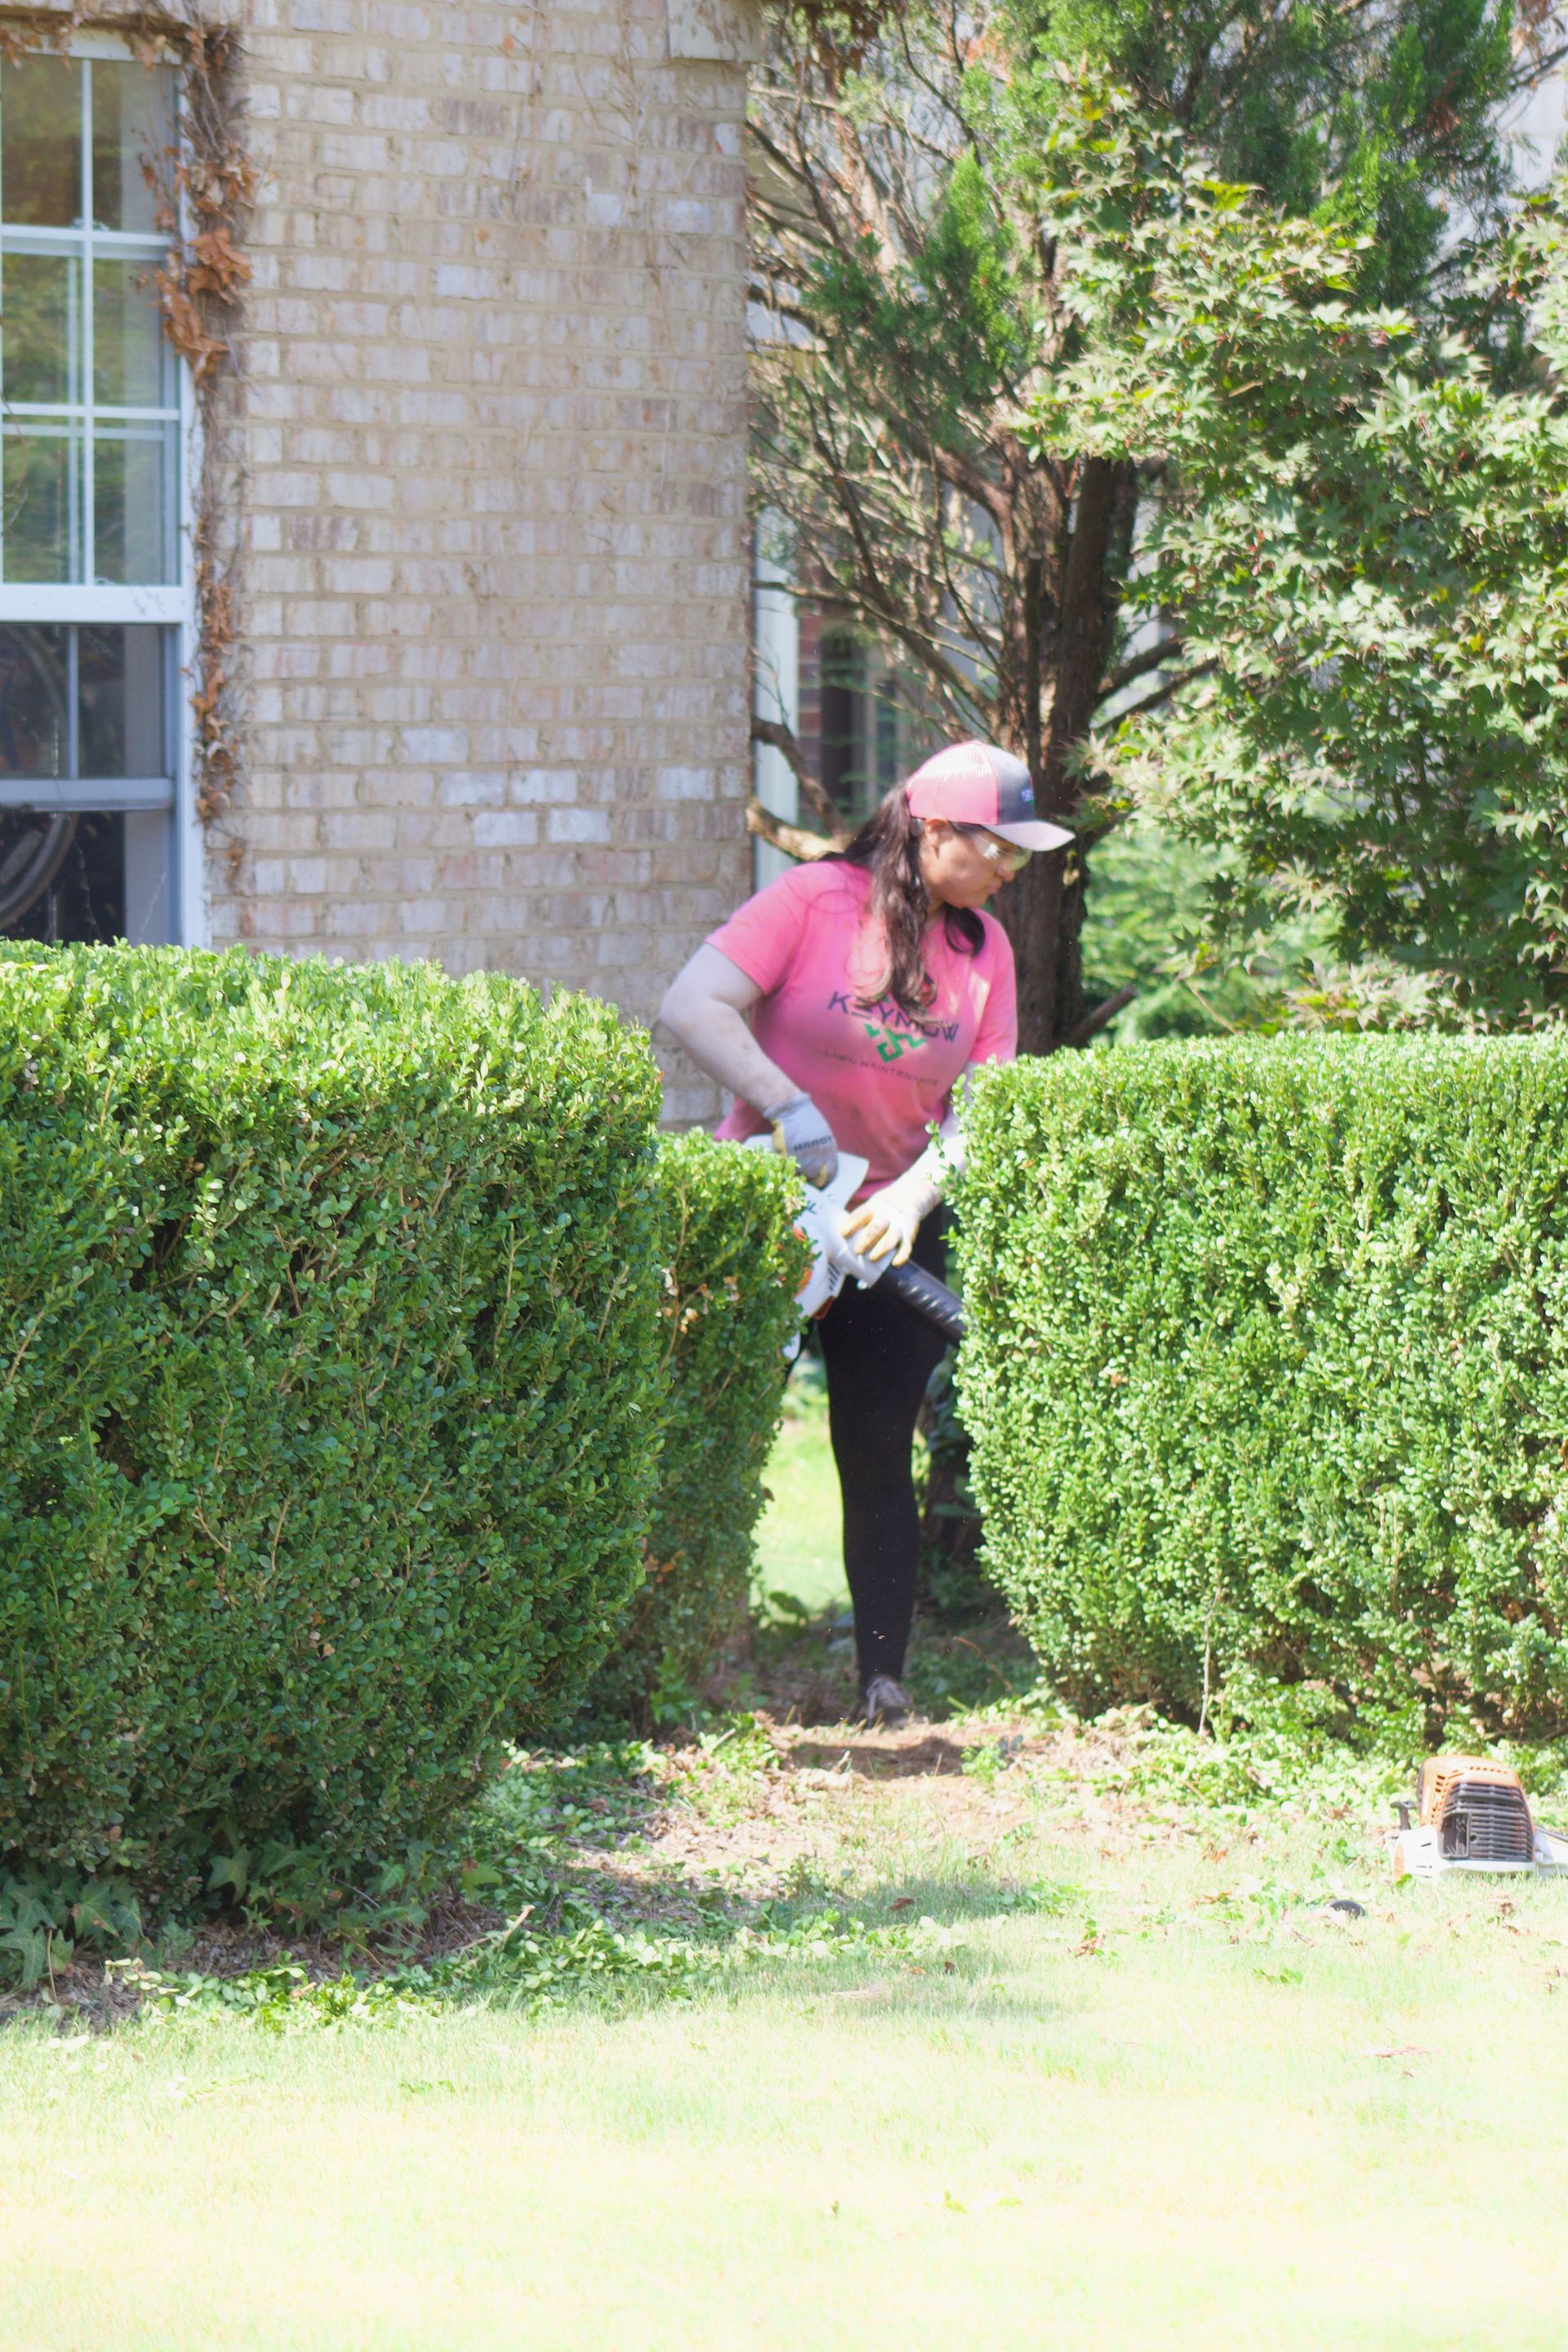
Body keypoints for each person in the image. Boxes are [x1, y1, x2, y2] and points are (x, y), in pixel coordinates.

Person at [659, 741, 1072, 1727]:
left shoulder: (987, 952)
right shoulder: (811, 902)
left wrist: (913, 1200)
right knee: (717, 1436)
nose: (1012, 870)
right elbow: (693, 1002)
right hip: (771, 1205)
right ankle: (686, 1673)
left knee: (879, 1446)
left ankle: (883, 1683)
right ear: (933, 832)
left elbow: (984, 1106)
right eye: (997, 848)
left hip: (890, 1230)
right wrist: (785, 1110)